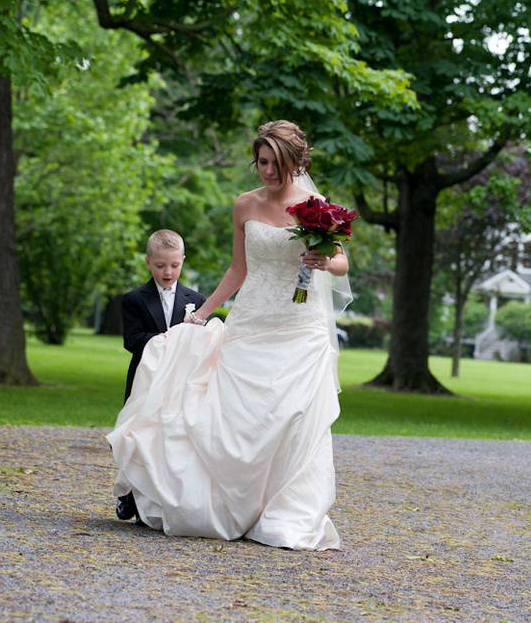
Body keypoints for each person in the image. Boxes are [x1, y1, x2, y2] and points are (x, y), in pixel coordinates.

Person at [107, 120, 349, 551]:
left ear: (295, 162)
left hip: (300, 323)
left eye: (276, 163)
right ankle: (229, 503)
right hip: (254, 318)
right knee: (232, 412)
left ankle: (283, 508)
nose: (268, 171)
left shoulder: (316, 205)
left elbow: (342, 263)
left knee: (294, 415)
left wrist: (323, 261)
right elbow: (239, 269)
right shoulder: (244, 205)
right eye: (261, 162)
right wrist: (201, 314)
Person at [120, 230, 206, 402]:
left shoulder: (197, 300)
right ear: (148, 262)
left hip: (182, 378)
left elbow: (202, 344)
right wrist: (169, 339)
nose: (168, 272)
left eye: (175, 266)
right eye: (160, 266)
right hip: (145, 376)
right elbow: (132, 341)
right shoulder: (134, 299)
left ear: (182, 260)